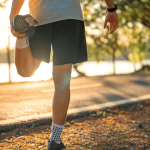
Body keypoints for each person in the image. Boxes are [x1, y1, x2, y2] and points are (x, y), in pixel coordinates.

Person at [9, 0, 119, 149]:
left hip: (42, 16)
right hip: (67, 16)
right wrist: (111, 9)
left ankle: (21, 33)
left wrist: (12, 17)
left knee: (26, 71)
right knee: (59, 82)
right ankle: (54, 141)